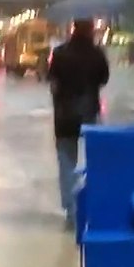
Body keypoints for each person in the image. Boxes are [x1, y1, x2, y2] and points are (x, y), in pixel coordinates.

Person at [46, 19, 110, 226]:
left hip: (64, 117)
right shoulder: (97, 54)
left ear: (73, 28)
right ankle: (95, 206)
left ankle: (72, 211)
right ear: (90, 30)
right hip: (89, 113)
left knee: (66, 162)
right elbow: (104, 79)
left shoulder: (59, 53)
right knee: (96, 160)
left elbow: (52, 82)